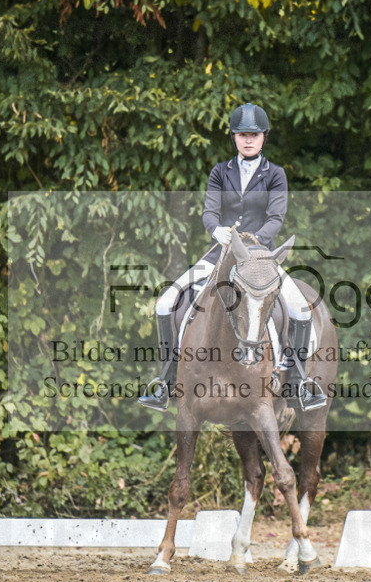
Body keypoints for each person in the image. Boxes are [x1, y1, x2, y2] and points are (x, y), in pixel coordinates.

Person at [139, 102, 325, 411]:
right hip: (220, 256)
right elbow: (209, 212)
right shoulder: (219, 172)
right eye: (242, 135)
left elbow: (275, 218)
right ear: (234, 138)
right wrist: (218, 233)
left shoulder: (275, 175)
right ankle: (167, 379)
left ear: (263, 137)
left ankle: (299, 381)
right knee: (165, 302)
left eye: (254, 134)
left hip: (261, 259)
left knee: (300, 309)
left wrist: (249, 246)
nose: (248, 139)